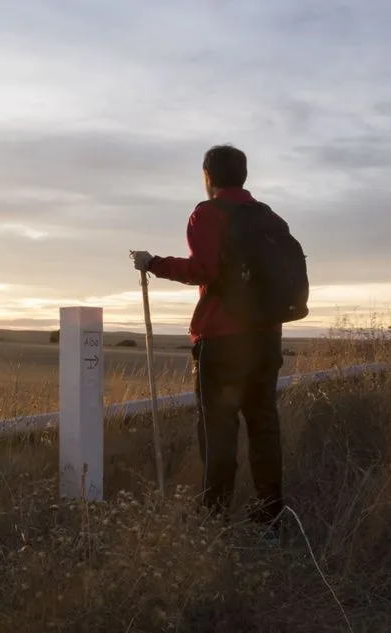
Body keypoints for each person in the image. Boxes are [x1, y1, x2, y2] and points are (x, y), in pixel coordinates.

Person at [130, 144, 307, 538]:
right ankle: (269, 515)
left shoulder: (207, 213)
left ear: (207, 176)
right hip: (266, 338)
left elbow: (203, 269)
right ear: (243, 175)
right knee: (264, 425)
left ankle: (213, 517)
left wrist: (153, 264)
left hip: (223, 340)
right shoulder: (269, 217)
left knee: (218, 429)